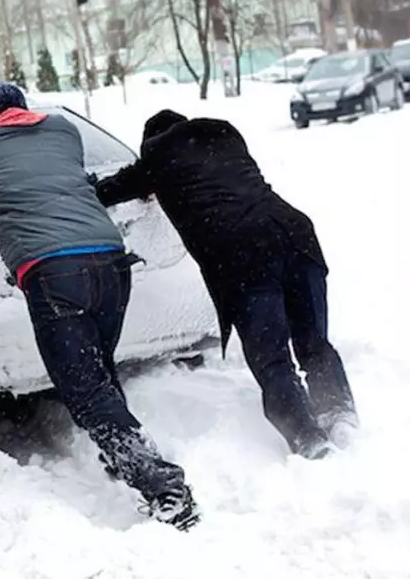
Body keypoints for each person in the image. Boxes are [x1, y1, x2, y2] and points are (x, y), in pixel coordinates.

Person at [0, 82, 199, 530]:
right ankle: (123, 453)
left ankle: (161, 483)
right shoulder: (63, 131)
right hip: (112, 264)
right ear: (25, 110)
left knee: (84, 389)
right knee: (98, 369)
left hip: (54, 274)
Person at [94, 109, 356, 459]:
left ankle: (308, 438)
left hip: (244, 253)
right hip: (295, 234)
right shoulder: (226, 134)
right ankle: (337, 411)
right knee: (312, 339)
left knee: (271, 356)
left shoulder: (157, 158)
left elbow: (108, 191)